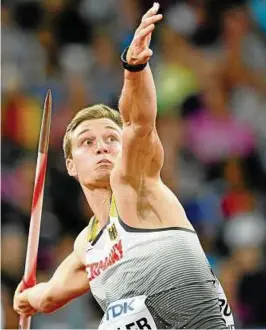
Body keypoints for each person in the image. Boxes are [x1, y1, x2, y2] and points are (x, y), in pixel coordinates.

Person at [13, 3, 235, 329]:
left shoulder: (136, 186)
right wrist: (26, 299)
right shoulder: (87, 247)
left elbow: (138, 122)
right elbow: (49, 296)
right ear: (71, 165)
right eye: (88, 141)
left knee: (120, 317)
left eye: (111, 139)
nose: (102, 145)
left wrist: (134, 68)